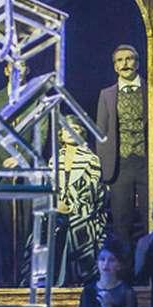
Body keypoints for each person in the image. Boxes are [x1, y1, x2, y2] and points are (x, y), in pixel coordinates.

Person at [96, 45, 147, 252]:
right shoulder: (107, 94)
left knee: (149, 218)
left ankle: (148, 265)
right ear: (115, 66)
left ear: (138, 62)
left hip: (147, 164)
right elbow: (101, 134)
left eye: (129, 58)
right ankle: (123, 267)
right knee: (121, 223)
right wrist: (104, 171)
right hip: (119, 167)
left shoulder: (151, 90)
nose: (125, 63)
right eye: (120, 60)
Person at [53, 115, 108, 286]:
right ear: (61, 134)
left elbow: (94, 192)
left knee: (77, 225)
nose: (70, 132)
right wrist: (56, 205)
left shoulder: (91, 159)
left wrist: (71, 208)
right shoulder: (54, 160)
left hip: (84, 212)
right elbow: (50, 188)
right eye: (66, 129)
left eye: (75, 129)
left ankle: (82, 278)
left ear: (81, 133)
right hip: (57, 212)